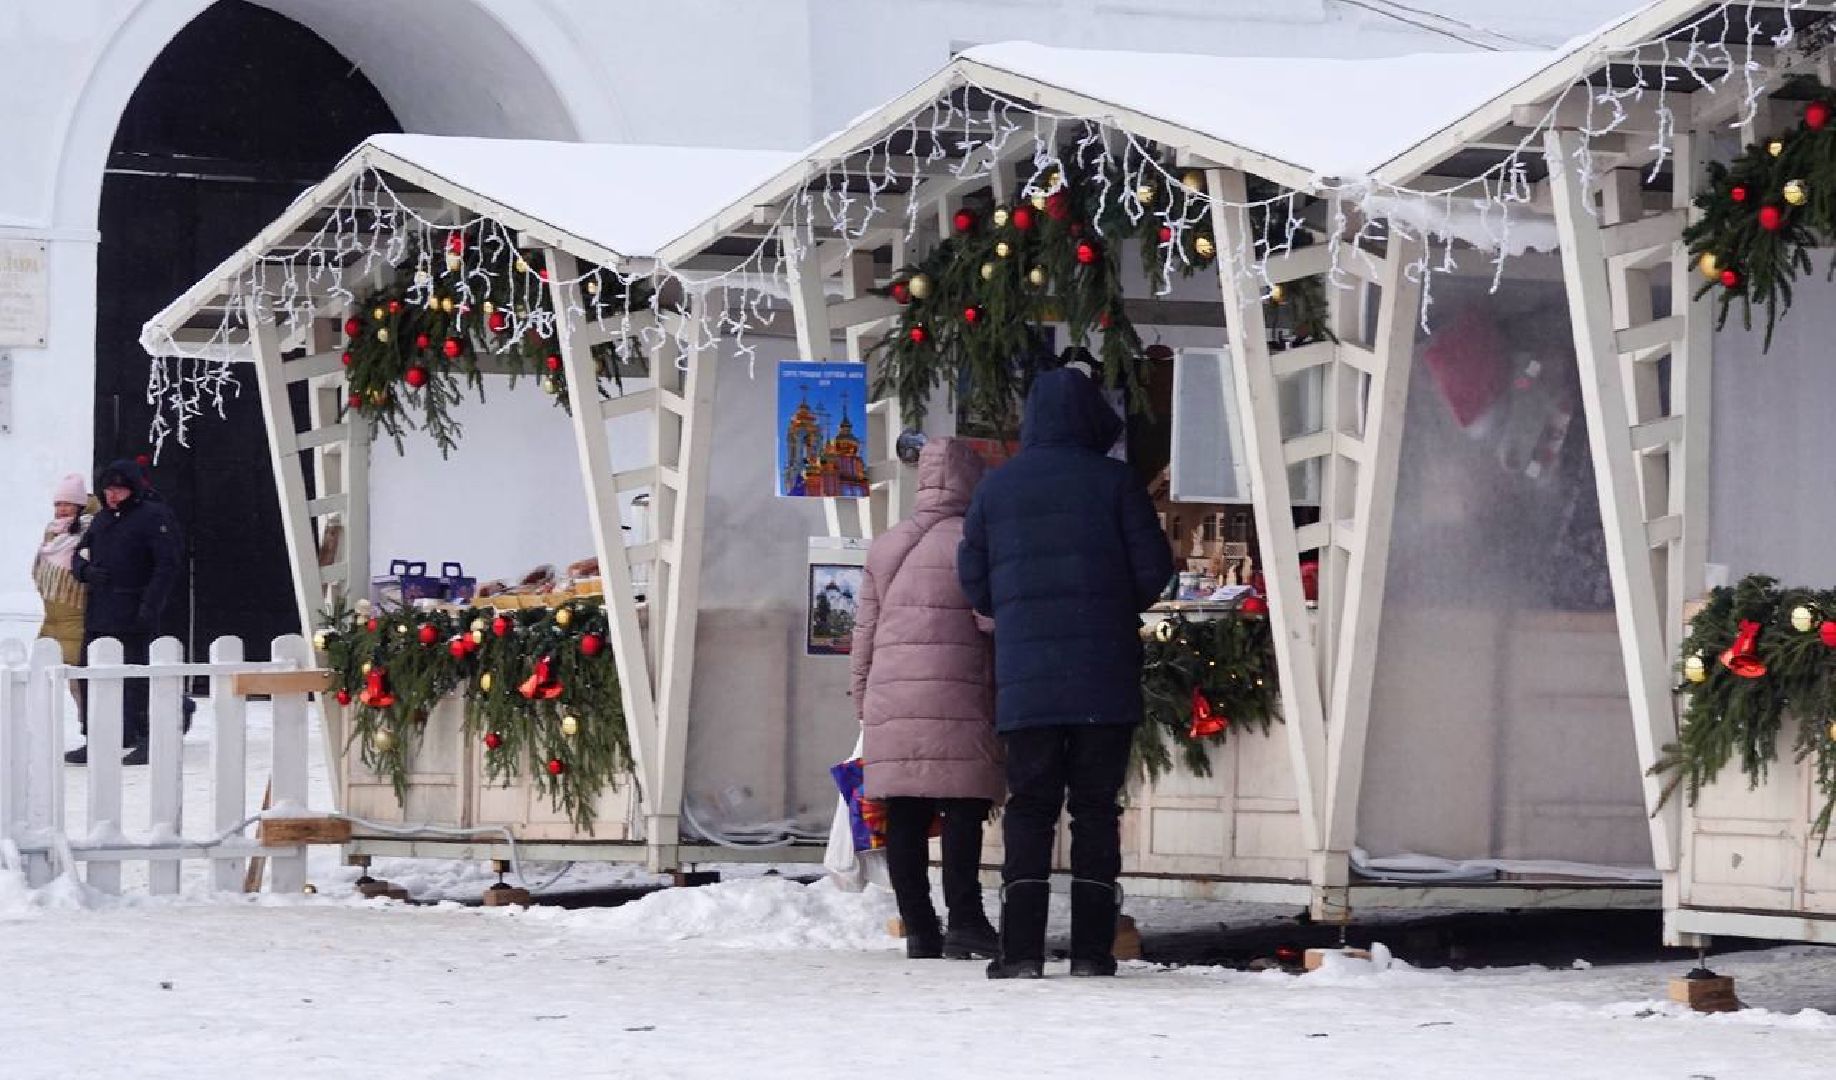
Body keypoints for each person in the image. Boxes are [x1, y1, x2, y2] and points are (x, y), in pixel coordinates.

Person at [958, 366, 1175, 979]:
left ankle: (1020, 951)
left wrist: (1018, 610)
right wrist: (1107, 603)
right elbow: (1152, 570)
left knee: (1029, 807)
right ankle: (1090, 950)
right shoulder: (1115, 482)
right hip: (1103, 677)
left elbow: (973, 581)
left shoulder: (996, 491)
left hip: (1027, 680)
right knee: (1096, 809)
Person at [852, 437, 1003, 961]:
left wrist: (863, 699)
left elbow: (864, 631)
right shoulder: (976, 541)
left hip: (890, 698)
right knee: (962, 809)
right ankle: (966, 920)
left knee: (905, 818)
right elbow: (991, 621)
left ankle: (919, 926)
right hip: (960, 695)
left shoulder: (887, 544)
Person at [67, 459, 184, 766]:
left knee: (137, 677)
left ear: (132, 489)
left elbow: (167, 564)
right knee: (91, 675)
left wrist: (150, 605)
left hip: (134, 611)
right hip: (100, 611)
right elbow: (78, 555)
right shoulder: (102, 520)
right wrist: (86, 572)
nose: (112, 496)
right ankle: (96, 736)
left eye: (118, 489)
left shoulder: (154, 516)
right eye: (108, 489)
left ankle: (147, 735)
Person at [32, 474, 96, 716]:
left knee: (78, 679)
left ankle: (90, 728)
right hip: (52, 617)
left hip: (77, 616)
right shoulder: (52, 533)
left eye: (67, 504)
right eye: (58, 504)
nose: (61, 510)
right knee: (41, 677)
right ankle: (43, 730)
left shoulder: (90, 531)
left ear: (79, 506)